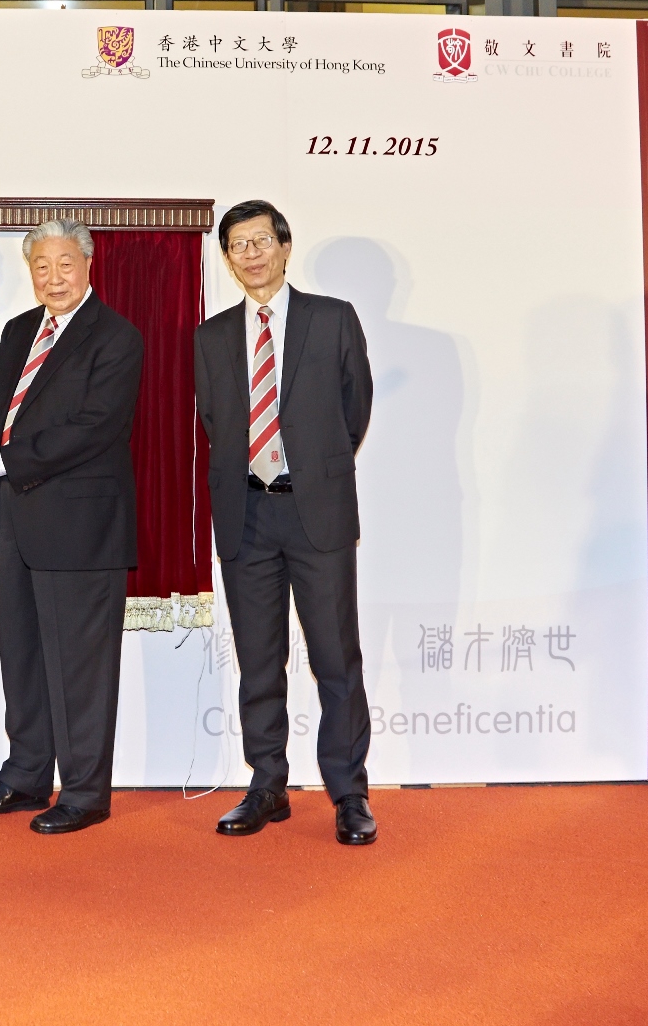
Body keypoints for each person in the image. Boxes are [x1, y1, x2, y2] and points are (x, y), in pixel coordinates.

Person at [191, 201, 377, 846]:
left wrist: (313, 470)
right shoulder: (212, 337)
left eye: (261, 241)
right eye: (238, 245)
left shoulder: (332, 319)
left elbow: (355, 409)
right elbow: (217, 424)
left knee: (335, 659)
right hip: (247, 515)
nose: (251, 254)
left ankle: (348, 793)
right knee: (259, 662)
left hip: (315, 512)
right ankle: (267, 784)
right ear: (228, 256)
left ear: (285, 246)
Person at [0, 219, 143, 836]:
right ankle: (27, 774)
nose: (52, 277)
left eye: (64, 264)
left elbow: (94, 426)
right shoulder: (16, 332)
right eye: (41, 265)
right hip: (12, 519)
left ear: (88, 265)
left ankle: (86, 792)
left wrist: (6, 461)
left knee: (81, 666)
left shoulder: (115, 337)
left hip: (80, 526)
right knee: (23, 657)